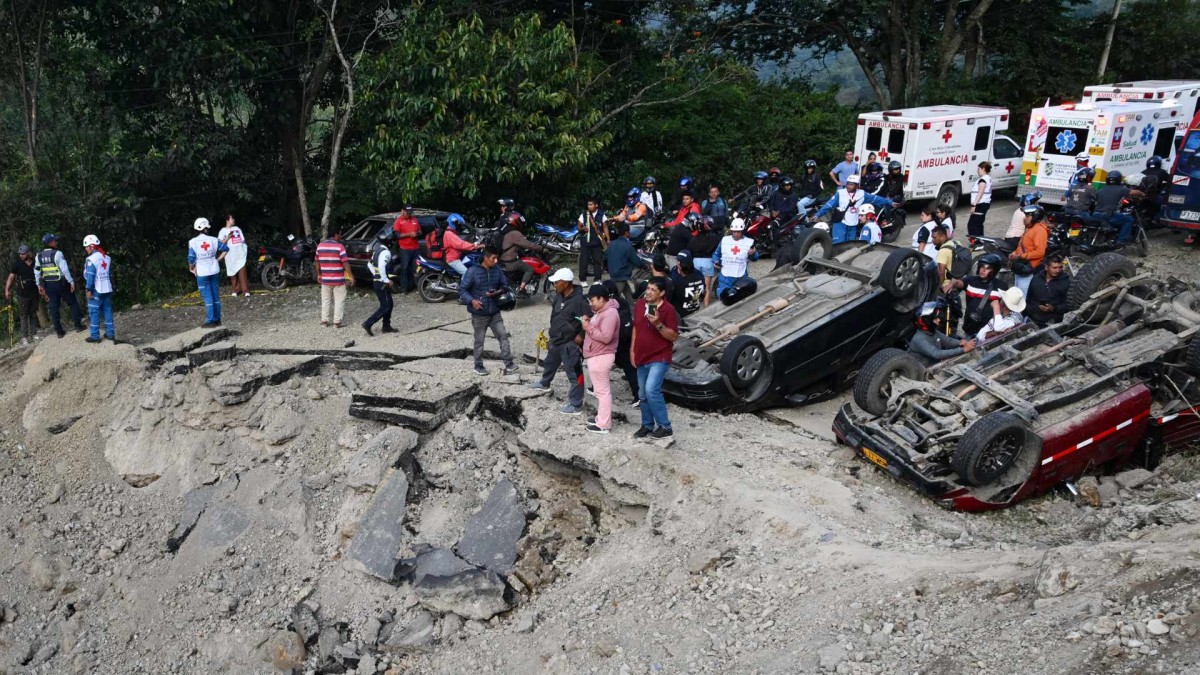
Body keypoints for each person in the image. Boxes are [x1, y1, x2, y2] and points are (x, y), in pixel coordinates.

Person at [528, 269, 590, 415]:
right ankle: (544, 383)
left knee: (575, 374)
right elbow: (554, 316)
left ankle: (575, 404)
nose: (554, 285)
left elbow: (589, 319)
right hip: (556, 340)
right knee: (550, 362)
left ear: (566, 283)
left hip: (570, 343)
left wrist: (581, 336)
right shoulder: (558, 297)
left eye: (557, 282)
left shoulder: (580, 301)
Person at [460, 247, 518, 376]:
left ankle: (509, 363)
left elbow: (505, 286)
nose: (496, 261)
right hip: (479, 314)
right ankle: (478, 365)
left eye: (497, 258)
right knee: (479, 340)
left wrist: (497, 292)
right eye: (493, 258)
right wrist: (472, 301)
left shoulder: (497, 270)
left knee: (503, 336)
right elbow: (463, 290)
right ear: (486, 258)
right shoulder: (472, 271)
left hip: (495, 312)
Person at [631, 278, 678, 439]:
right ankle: (647, 424)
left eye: (653, 290)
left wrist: (658, 324)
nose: (648, 292)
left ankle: (665, 426)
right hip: (642, 355)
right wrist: (632, 350)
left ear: (662, 293)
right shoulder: (639, 305)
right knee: (642, 393)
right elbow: (636, 328)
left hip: (660, 355)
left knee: (652, 389)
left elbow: (673, 337)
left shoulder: (668, 310)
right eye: (648, 288)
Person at [581, 284, 620, 433]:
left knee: (602, 392)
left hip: (602, 355)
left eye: (593, 300)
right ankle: (601, 418)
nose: (591, 304)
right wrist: (589, 321)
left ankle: (604, 424)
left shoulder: (610, 314)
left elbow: (606, 337)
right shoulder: (602, 311)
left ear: (602, 299)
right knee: (599, 391)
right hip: (597, 354)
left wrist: (588, 327)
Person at [814, 174, 893, 244]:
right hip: (840, 223)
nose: (848, 186)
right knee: (838, 244)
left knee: (850, 245)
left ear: (857, 186)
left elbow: (876, 199)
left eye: (851, 184)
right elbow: (829, 205)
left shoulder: (862, 194)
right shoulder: (840, 193)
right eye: (848, 184)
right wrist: (818, 214)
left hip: (853, 224)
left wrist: (890, 202)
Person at [945, 253, 1007, 338]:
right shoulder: (970, 281)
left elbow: (1004, 308)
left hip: (989, 332)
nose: (983, 270)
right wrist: (952, 284)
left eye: (988, 268)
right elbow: (959, 283)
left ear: (994, 270)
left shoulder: (1001, 286)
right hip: (970, 328)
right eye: (982, 267)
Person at [34, 234, 84, 337]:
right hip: (61, 283)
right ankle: (78, 326)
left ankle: (59, 332)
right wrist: (71, 282)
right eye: (55, 241)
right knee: (73, 303)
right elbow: (65, 270)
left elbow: (37, 271)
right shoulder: (58, 253)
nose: (56, 242)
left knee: (53, 308)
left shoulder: (38, 256)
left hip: (49, 285)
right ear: (51, 243)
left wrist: (39, 285)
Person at [601, 278, 640, 406]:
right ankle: (638, 394)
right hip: (626, 339)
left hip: (614, 342)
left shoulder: (607, 306)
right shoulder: (622, 302)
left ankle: (638, 395)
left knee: (603, 366)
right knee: (628, 367)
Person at [188, 218, 228, 328]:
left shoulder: (193, 242)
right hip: (214, 270)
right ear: (206, 228)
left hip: (202, 272)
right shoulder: (214, 240)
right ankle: (217, 320)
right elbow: (226, 248)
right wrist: (217, 260)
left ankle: (210, 321)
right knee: (215, 295)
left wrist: (191, 268)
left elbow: (191, 258)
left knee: (207, 296)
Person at [908, 300, 976, 365]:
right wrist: (963, 349)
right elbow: (937, 354)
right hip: (921, 372)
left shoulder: (933, 332)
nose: (939, 320)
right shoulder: (919, 339)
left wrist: (961, 343)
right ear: (926, 322)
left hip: (933, 367)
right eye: (935, 318)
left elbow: (947, 341)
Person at [499, 212, 548, 295]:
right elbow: (527, 244)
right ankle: (521, 289)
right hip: (510, 262)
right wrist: (541, 249)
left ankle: (520, 284)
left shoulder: (507, 231)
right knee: (530, 269)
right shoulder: (514, 233)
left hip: (504, 261)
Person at [363, 231, 397, 337]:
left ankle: (386, 326)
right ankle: (368, 323)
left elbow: (370, 264)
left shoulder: (377, 251)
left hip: (377, 282)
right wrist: (385, 279)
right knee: (386, 306)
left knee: (389, 304)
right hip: (382, 283)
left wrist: (375, 275)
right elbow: (382, 266)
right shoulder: (386, 253)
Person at [315, 229, 353, 327]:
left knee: (325, 300)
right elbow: (345, 263)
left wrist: (319, 274)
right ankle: (337, 322)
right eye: (340, 234)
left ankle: (324, 321)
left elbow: (317, 261)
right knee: (339, 300)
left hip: (325, 279)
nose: (341, 236)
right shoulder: (340, 247)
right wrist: (351, 277)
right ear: (335, 234)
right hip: (338, 280)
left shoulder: (320, 246)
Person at [82, 235, 115, 343]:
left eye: (86, 247)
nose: (85, 249)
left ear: (92, 246)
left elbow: (90, 276)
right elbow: (110, 274)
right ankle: (110, 334)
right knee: (107, 311)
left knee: (94, 312)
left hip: (96, 290)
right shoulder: (107, 257)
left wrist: (88, 289)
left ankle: (95, 336)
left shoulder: (91, 259)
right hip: (107, 289)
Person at [1011, 204, 1050, 295]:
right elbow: (1023, 245)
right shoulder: (1030, 228)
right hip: (1021, 266)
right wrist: (1015, 253)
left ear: (1035, 217)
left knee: (1021, 297)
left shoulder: (1039, 230)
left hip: (1028, 268)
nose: (1024, 218)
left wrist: (1021, 256)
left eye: (1027, 216)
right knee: (1016, 294)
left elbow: (1040, 252)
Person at [5, 244, 39, 345]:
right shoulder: (17, 264)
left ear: (28, 253)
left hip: (34, 292)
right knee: (24, 315)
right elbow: (11, 277)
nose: (21, 256)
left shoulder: (35, 263)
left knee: (33, 313)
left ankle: (34, 333)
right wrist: (7, 289)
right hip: (22, 294)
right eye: (20, 254)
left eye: (23, 254)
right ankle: (24, 337)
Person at [606, 222, 648, 303]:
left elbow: (605, 257)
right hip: (621, 276)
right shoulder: (627, 245)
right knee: (614, 299)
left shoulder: (612, 244)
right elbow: (636, 261)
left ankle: (632, 310)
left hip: (614, 274)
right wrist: (645, 266)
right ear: (626, 232)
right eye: (629, 231)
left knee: (628, 295)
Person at [1024, 255, 1070, 326]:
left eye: (1060, 267)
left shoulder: (1066, 282)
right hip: (1033, 320)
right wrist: (1034, 308)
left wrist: (1053, 308)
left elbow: (1069, 305)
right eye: (1054, 268)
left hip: (1052, 323)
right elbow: (1029, 299)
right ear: (1046, 267)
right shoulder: (1036, 279)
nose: (1057, 270)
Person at [714, 218, 755, 297]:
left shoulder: (749, 242)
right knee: (723, 297)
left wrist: (752, 254)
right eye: (734, 231)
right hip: (725, 277)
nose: (736, 234)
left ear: (742, 231)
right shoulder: (724, 240)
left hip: (741, 276)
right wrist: (716, 261)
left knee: (740, 297)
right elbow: (716, 254)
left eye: (738, 232)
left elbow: (755, 258)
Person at [1093, 171, 1135, 245]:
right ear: (1119, 179)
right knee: (1128, 220)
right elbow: (1134, 192)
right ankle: (1121, 241)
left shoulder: (1100, 190)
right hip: (1108, 215)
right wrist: (1142, 193)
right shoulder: (1121, 189)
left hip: (1096, 215)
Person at [687, 216, 719, 306]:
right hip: (708, 262)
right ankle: (706, 307)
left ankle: (694, 305)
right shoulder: (714, 237)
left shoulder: (693, 238)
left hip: (696, 262)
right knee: (707, 288)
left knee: (696, 286)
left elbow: (690, 250)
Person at [576, 197, 609, 284]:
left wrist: (608, 239)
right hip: (585, 242)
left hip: (597, 242)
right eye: (588, 204)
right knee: (584, 261)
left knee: (597, 261)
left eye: (591, 204)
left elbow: (605, 227)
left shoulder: (602, 215)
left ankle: (597, 279)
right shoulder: (584, 214)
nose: (589, 206)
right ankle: (583, 280)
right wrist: (582, 228)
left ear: (596, 205)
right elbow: (578, 226)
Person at [391, 204, 421, 293]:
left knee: (417, 267)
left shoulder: (415, 219)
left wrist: (417, 234)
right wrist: (409, 234)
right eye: (407, 212)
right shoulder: (398, 221)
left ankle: (416, 286)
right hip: (405, 249)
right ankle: (404, 288)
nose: (409, 214)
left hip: (416, 248)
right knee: (405, 268)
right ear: (402, 211)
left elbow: (420, 231)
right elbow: (396, 235)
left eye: (410, 212)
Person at [218, 215, 250, 297]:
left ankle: (246, 290)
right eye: (232, 218)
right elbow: (220, 243)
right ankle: (235, 290)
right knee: (232, 272)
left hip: (239, 253)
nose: (233, 220)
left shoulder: (237, 228)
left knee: (242, 271)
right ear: (227, 220)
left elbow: (243, 240)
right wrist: (228, 238)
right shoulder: (223, 231)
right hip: (230, 254)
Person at [670, 250, 706, 319]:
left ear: (679, 264)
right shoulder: (699, 275)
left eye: (677, 261)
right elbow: (704, 292)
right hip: (695, 311)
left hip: (679, 316)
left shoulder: (677, 280)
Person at [966, 162, 993, 239]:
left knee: (973, 224)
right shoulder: (988, 178)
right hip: (984, 204)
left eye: (978, 169)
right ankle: (980, 240)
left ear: (983, 168)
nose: (977, 171)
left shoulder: (983, 180)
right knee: (978, 223)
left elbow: (980, 192)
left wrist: (974, 205)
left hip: (981, 204)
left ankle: (977, 242)